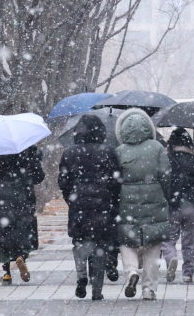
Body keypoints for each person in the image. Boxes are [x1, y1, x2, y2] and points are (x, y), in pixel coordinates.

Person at [58, 114, 122, 300]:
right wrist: (112, 200)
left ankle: (81, 276)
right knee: (100, 244)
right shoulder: (108, 151)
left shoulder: (69, 152)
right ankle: (97, 290)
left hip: (79, 204)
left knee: (80, 241)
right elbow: (117, 180)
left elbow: (63, 181)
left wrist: (71, 199)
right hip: (103, 204)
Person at [113, 108, 171, 301]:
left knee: (127, 241)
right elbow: (166, 175)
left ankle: (131, 272)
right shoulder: (157, 148)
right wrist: (166, 195)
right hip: (154, 198)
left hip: (127, 200)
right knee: (153, 245)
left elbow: (115, 179)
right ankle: (149, 288)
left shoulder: (119, 151)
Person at [0, 145, 45, 285]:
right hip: (24, 198)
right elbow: (38, 177)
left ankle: (6, 274)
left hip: (2, 198)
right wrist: (36, 159)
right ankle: (21, 256)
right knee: (24, 233)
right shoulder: (29, 150)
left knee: (5, 235)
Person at [162, 128, 194, 284]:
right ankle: (188, 273)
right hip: (191, 205)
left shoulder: (168, 159)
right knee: (190, 240)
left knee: (169, 238)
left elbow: (162, 181)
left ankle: (171, 259)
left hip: (172, 205)